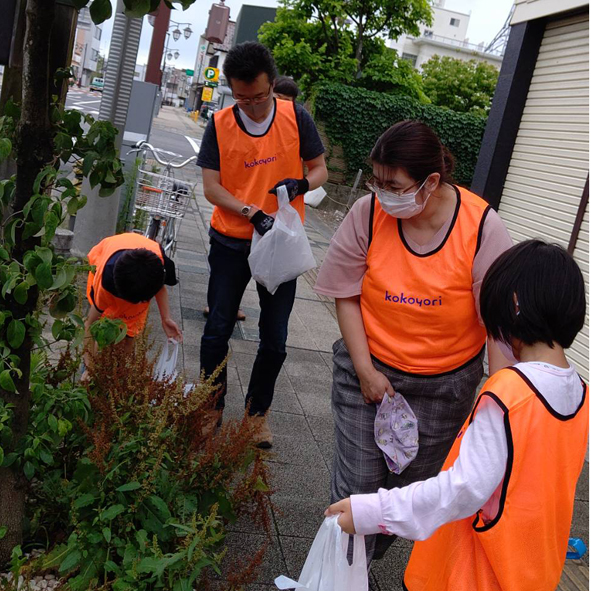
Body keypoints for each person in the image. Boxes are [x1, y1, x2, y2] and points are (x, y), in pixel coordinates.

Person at [327, 240, 588, 591]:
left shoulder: (507, 393)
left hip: (473, 574)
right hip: (534, 570)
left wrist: (371, 511)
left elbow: (463, 488)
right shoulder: (581, 394)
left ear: (513, 304)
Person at [314, 120, 514, 563]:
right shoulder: (368, 213)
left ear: (432, 182)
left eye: (394, 186)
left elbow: (497, 326)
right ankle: (341, 574)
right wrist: (365, 370)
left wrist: (497, 401)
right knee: (358, 490)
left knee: (411, 494)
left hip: (444, 387)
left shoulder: (481, 227)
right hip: (367, 372)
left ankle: (360, 564)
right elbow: (346, 294)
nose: (382, 194)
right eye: (376, 181)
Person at [196, 42, 328, 447]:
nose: (252, 106)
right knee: (217, 330)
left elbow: (320, 169)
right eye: (242, 98)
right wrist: (250, 211)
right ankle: (210, 408)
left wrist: (302, 183)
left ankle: (256, 416)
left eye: (258, 97)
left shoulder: (296, 117)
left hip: (280, 242)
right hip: (231, 240)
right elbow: (211, 188)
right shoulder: (220, 124)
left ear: (272, 84)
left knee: (275, 338)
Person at [84, 233, 182, 371]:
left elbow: (160, 287)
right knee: (103, 329)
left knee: (129, 335)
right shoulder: (105, 283)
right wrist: (90, 367)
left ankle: (121, 371)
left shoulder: (159, 265)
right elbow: (90, 324)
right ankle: (92, 370)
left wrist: (166, 318)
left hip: (132, 274)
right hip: (107, 264)